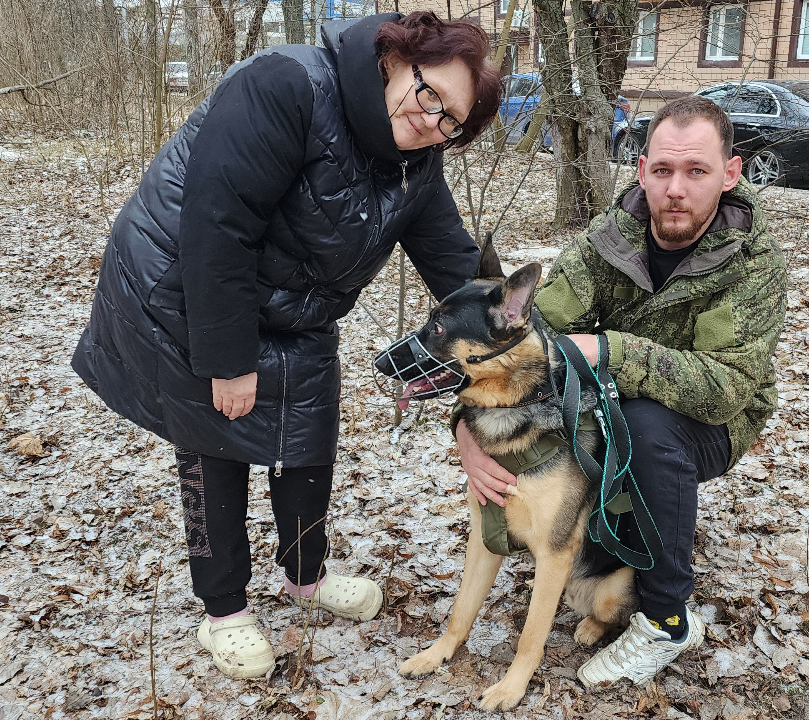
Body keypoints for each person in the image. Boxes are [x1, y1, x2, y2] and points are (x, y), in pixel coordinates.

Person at [71, 11, 501, 679]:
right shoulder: (287, 86)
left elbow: (454, 261)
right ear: (395, 60)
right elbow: (218, 225)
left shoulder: (417, 163)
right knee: (218, 438)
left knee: (308, 434)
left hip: (294, 307)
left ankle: (305, 575)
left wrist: (520, 340)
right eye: (429, 95)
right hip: (187, 283)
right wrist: (229, 359)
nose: (431, 121)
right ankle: (224, 610)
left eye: (452, 120)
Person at [457, 95, 787, 686]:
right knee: (603, 425)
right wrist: (465, 429)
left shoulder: (753, 260)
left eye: (697, 171)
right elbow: (532, 339)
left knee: (644, 428)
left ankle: (665, 616)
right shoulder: (609, 237)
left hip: (715, 421)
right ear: (641, 170)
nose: (676, 190)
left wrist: (611, 351)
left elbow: (727, 388)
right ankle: (607, 545)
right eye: (662, 171)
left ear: (730, 174)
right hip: (612, 400)